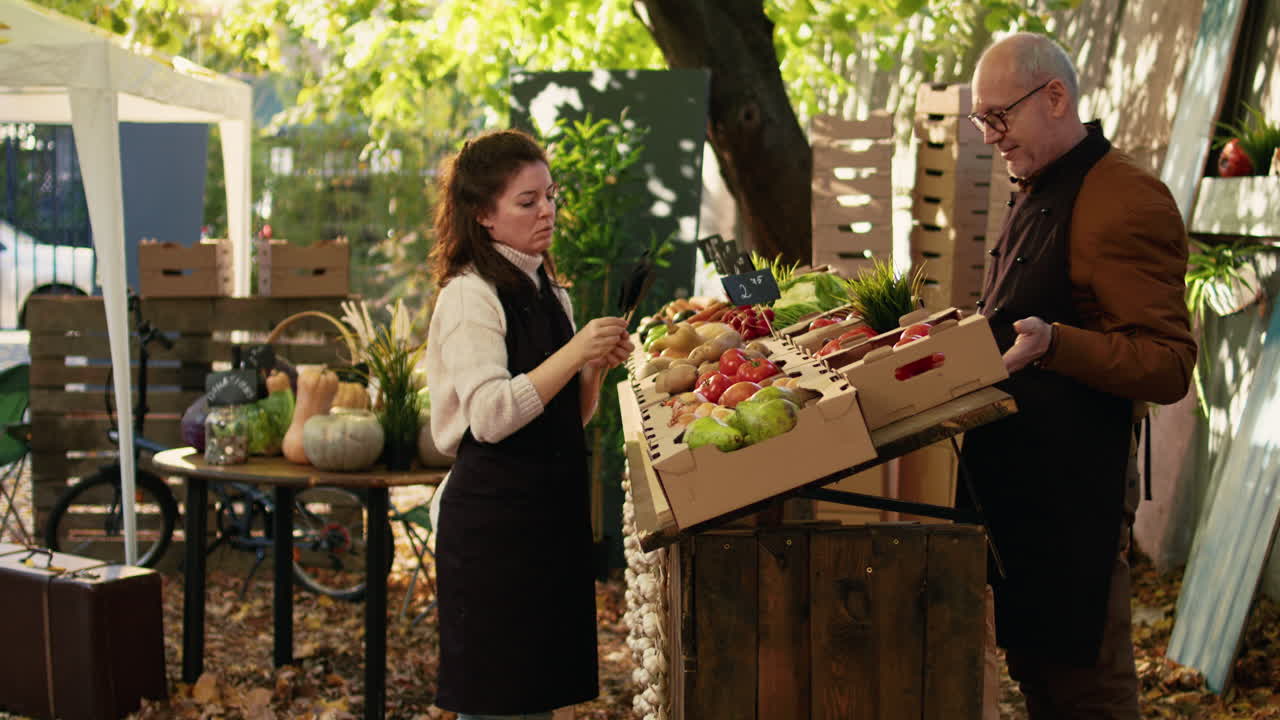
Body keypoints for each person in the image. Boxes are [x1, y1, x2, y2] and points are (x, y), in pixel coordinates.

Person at [958, 33, 1197, 719]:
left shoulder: (1124, 198)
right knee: (1042, 680)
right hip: (1023, 496)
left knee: (1087, 694)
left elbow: (1168, 362)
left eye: (999, 117)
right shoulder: (1039, 181)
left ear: (1055, 97)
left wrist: (1058, 344)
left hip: (1075, 505)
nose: (991, 136)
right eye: (984, 121)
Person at [424, 129, 633, 719]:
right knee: (494, 706)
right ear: (484, 216)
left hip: (547, 524)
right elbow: (490, 417)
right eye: (527, 201)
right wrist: (572, 355)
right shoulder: (469, 297)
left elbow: (568, 418)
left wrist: (592, 372)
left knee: (535, 705)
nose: (547, 211)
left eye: (551, 196)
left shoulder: (549, 292)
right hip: (492, 532)